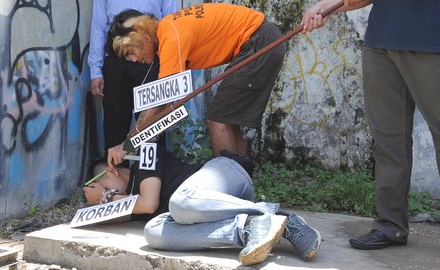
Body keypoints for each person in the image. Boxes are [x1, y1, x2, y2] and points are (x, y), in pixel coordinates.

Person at [302, 0, 440, 267]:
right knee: (388, 142)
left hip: (433, 44)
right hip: (381, 44)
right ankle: (389, 225)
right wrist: (327, 7)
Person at [83, 146, 321, 266]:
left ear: (110, 169)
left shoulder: (146, 158)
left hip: (228, 174)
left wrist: (106, 198)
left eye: (104, 185)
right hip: (211, 209)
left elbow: (148, 204)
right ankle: (250, 227)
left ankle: (272, 212)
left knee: (179, 202)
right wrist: (98, 205)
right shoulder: (127, 199)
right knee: (153, 232)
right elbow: (126, 213)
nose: (109, 193)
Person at [105, 3, 286, 158]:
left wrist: (127, 144)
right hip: (259, 38)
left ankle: (231, 191)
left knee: (217, 121)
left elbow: (163, 102)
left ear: (143, 36)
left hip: (259, 41)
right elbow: (164, 106)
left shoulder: (171, 36)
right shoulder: (168, 30)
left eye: (130, 52)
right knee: (226, 119)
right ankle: (242, 184)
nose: (134, 60)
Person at [88, 0, 178, 154]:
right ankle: (116, 173)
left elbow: (170, 19)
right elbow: (98, 25)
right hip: (117, 54)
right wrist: (95, 70)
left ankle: (153, 173)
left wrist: (165, 60)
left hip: (148, 53)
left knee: (152, 122)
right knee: (114, 122)